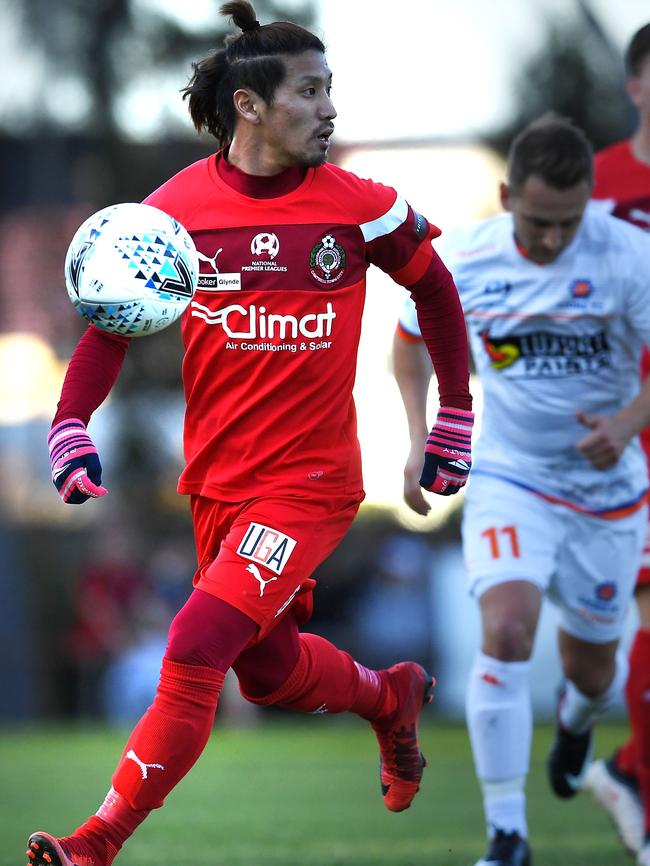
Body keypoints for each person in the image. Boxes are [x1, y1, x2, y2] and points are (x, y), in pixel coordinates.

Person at [26, 3, 474, 865]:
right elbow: (110, 327)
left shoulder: (364, 208)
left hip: (311, 484)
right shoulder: (172, 213)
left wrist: (453, 414)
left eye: (330, 89)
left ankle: (94, 843)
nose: (330, 109)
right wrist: (71, 426)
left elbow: (438, 294)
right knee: (263, 674)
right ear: (251, 106)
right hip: (217, 487)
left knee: (194, 645)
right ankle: (390, 698)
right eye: (310, 92)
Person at [392, 115, 650, 866]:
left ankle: (577, 719)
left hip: (607, 491)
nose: (549, 240)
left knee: (596, 672)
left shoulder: (629, 255)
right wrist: (420, 439)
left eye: (567, 224)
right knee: (504, 632)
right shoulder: (461, 259)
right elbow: (405, 350)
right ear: (506, 196)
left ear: (591, 204)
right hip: (510, 476)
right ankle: (508, 835)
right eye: (536, 222)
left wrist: (629, 421)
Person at [580, 23, 650, 866]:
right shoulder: (594, 184)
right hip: (619, 434)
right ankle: (635, 778)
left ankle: (629, 769)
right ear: (636, 85)